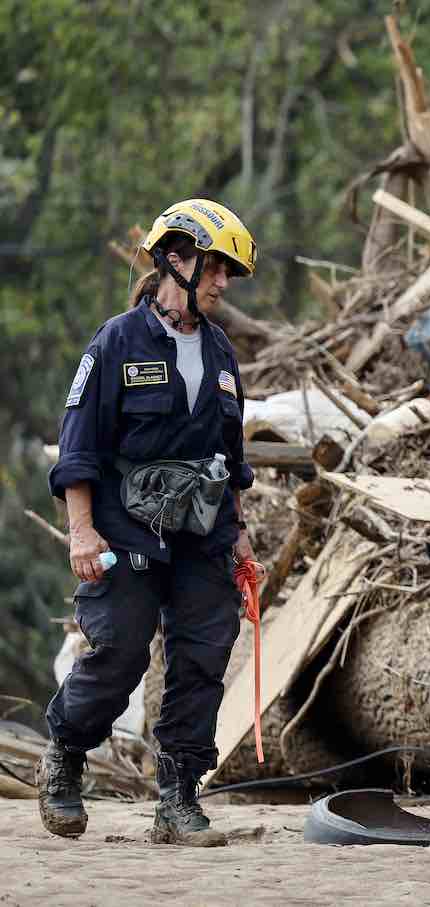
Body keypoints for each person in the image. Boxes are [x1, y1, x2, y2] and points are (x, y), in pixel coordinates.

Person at [39, 199, 261, 846]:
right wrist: (82, 531)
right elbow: (77, 447)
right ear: (175, 258)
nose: (222, 283)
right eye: (215, 267)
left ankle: (179, 797)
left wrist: (241, 538)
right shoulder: (114, 343)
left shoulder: (221, 355)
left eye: (228, 272)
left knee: (202, 659)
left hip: (203, 537)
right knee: (121, 651)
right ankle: (67, 751)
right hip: (126, 533)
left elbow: (232, 461)